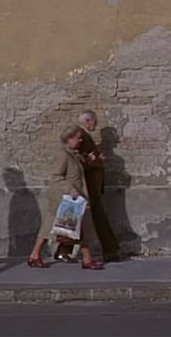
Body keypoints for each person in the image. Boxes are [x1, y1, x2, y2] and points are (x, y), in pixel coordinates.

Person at [27, 125, 104, 270]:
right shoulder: (63, 155)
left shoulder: (72, 154)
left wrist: (89, 160)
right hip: (65, 198)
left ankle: (35, 256)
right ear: (69, 139)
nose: (80, 140)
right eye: (78, 138)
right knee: (59, 227)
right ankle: (86, 259)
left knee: (70, 227)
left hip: (72, 198)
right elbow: (56, 176)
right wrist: (71, 189)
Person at [54, 110, 122, 262]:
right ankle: (110, 250)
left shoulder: (83, 137)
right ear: (88, 121)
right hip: (88, 186)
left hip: (90, 186)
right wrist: (97, 161)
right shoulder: (82, 137)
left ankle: (64, 249)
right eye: (94, 121)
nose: (95, 124)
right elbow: (79, 161)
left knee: (80, 218)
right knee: (96, 218)